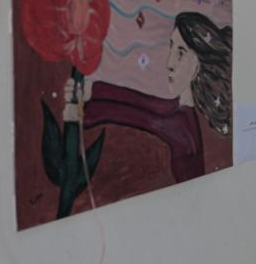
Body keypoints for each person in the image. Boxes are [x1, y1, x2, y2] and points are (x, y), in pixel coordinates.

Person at [65, 12, 232, 183]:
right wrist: (91, 90)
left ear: (199, 63)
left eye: (180, 53)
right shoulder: (178, 109)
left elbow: (139, 117)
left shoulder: (183, 127)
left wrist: (83, 112)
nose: (169, 63)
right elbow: (145, 103)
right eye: (172, 47)